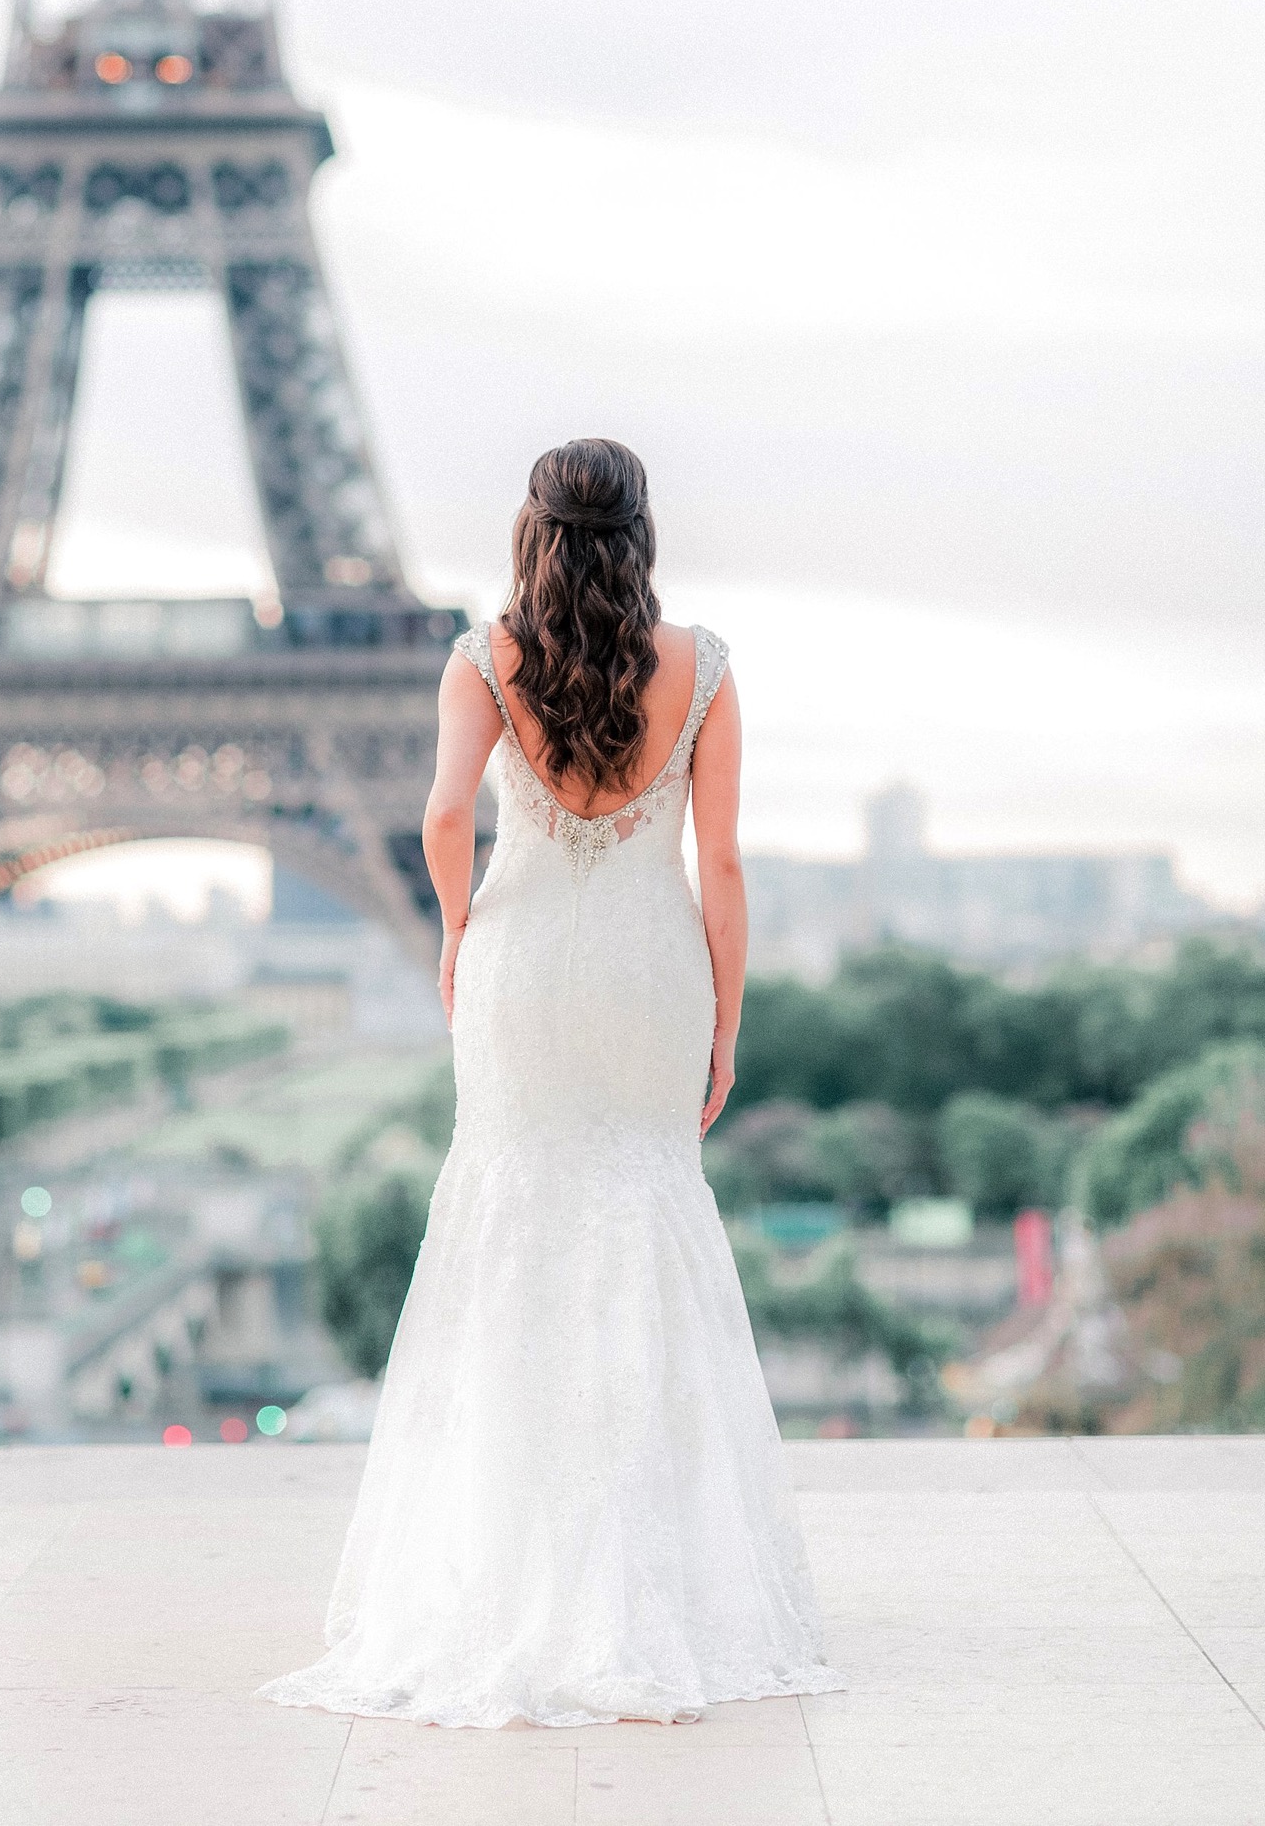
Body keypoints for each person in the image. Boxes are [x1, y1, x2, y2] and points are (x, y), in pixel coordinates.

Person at [260, 438, 842, 1727]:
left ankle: (504, 1572)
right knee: (645, 1229)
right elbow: (727, 867)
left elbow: (437, 817)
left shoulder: (485, 655)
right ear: (644, 530)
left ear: (534, 527)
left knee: (510, 1237)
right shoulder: (705, 668)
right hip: (649, 973)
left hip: (522, 967)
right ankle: (654, 1581)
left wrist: (465, 930)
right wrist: (727, 1019)